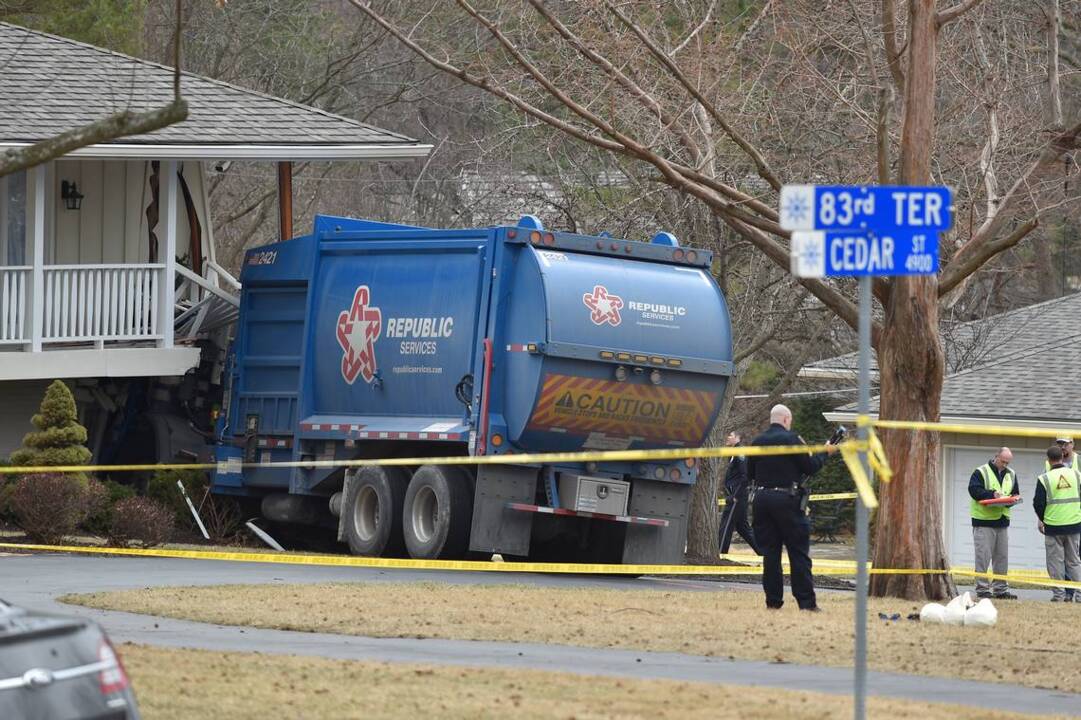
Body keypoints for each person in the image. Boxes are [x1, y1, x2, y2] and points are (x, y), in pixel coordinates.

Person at [747, 404, 838, 612]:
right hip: (787, 500)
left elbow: (750, 473)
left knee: (770, 554)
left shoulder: (756, 442)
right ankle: (806, 603)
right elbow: (810, 467)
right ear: (786, 420)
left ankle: (773, 602)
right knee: (798, 553)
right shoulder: (792, 439)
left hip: (762, 499)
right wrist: (825, 453)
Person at [967, 448, 1020, 600]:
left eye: (1007, 462)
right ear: (996, 457)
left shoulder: (1011, 474)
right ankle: (982, 589)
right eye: (1003, 461)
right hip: (984, 522)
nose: (1005, 464)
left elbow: (1015, 492)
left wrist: (1012, 500)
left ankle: (1000, 590)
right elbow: (974, 490)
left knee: (1002, 558)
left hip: (1002, 521)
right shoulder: (981, 472)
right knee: (983, 557)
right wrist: (992, 495)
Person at [1034, 445, 1081, 602]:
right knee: (1074, 561)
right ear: (1062, 457)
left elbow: (1038, 503)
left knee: (1056, 563)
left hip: (1053, 527)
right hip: (1074, 525)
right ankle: (1080, 595)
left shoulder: (1045, 478)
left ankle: (1059, 595)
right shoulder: (1076, 475)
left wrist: (1044, 519)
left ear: (1048, 460)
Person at [718, 431, 760, 555]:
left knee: (726, 524)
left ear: (737, 438)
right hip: (736, 495)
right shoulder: (732, 453)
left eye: (730, 435)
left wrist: (735, 496)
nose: (727, 437)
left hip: (737, 496)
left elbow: (744, 476)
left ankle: (720, 553)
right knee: (743, 528)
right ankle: (763, 552)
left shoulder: (740, 452)